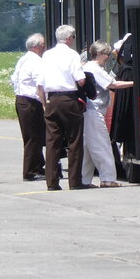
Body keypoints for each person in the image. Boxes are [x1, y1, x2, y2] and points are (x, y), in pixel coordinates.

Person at [39, 24, 87, 191]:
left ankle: (51, 182)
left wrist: (45, 104)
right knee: (75, 140)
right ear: (68, 39)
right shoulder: (72, 55)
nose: (73, 40)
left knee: (52, 141)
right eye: (73, 37)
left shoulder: (47, 55)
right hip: (68, 98)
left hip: (52, 98)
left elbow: (40, 83)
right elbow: (80, 79)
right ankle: (74, 181)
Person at [81, 42, 134, 188]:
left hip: (89, 112)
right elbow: (113, 84)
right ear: (98, 54)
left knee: (88, 147)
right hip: (94, 111)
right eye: (106, 54)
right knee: (101, 145)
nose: (108, 57)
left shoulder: (88, 67)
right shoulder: (95, 68)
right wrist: (136, 83)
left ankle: (84, 179)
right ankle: (107, 178)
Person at [10, 33, 47, 181]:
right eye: (43, 45)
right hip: (31, 101)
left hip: (21, 99)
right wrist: (44, 103)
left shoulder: (23, 59)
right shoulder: (37, 61)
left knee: (33, 136)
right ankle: (29, 171)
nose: (44, 48)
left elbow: (13, 79)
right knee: (33, 137)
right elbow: (40, 85)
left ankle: (37, 165)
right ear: (37, 47)